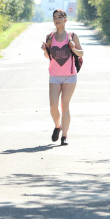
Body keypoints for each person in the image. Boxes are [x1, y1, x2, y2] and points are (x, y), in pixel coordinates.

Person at [41, 9, 83, 145]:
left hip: (70, 76)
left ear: (65, 19)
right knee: (53, 106)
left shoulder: (72, 36)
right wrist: (44, 50)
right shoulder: (50, 37)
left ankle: (64, 136)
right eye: (54, 17)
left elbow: (81, 53)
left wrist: (73, 48)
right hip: (54, 76)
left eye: (60, 17)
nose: (57, 20)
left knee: (65, 105)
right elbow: (48, 57)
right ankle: (58, 126)